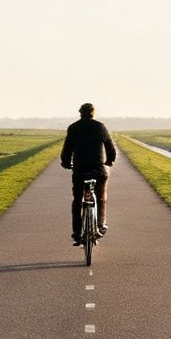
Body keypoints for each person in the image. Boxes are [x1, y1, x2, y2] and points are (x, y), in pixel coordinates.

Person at [60, 102, 117, 245]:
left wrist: (66, 163)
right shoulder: (100, 126)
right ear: (93, 113)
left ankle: (77, 233)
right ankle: (100, 225)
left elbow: (67, 150)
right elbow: (110, 148)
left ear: (80, 113)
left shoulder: (73, 128)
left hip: (80, 170)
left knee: (77, 200)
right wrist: (109, 161)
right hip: (98, 169)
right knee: (101, 197)